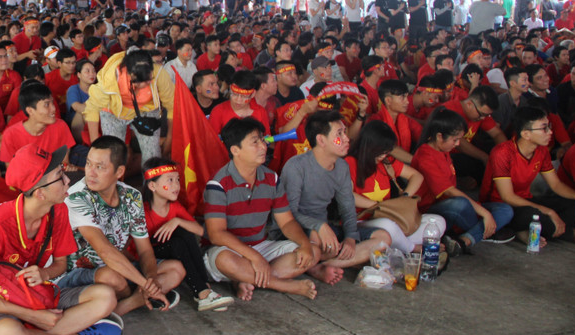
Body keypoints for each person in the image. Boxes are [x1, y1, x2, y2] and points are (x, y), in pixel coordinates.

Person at [0, 144, 123, 335]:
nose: (68, 180)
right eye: (60, 176)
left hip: (37, 295)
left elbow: (61, 264)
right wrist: (33, 316)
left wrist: (44, 273)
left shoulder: (58, 211)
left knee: (106, 297)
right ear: (40, 193)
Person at [57, 136, 185, 315]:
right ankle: (138, 297)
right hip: (81, 273)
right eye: (88, 163)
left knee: (176, 269)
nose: (90, 172)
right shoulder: (76, 197)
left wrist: (151, 279)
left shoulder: (132, 196)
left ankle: (123, 306)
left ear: (119, 171)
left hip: (119, 268)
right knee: (111, 277)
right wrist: (145, 284)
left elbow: (144, 250)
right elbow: (105, 251)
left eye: (100, 167)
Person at [202, 117, 318, 301]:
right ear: (235, 150)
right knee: (224, 259)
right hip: (229, 250)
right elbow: (216, 234)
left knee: (313, 251)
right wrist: (255, 258)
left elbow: (287, 222)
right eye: (255, 142)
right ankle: (282, 284)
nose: (263, 146)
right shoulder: (218, 184)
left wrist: (304, 244)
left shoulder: (272, 178)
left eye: (262, 140)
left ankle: (244, 279)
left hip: (261, 246)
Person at [277, 111, 391, 284]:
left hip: (325, 230)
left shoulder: (342, 166)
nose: (346, 138)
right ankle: (322, 262)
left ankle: (324, 265)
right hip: (297, 231)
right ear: (321, 140)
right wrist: (319, 226)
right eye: (339, 134)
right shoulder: (296, 167)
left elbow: (347, 206)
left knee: (383, 238)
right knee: (317, 239)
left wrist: (351, 238)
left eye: (344, 132)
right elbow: (288, 214)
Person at [411, 108, 515, 252]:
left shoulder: (443, 151)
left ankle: (464, 240)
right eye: (455, 140)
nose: (458, 144)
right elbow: (450, 191)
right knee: (460, 204)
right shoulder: (425, 155)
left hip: (454, 207)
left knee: (505, 210)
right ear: (440, 136)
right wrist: (485, 214)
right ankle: (485, 232)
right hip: (431, 211)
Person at [140, 158, 234, 311]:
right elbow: (137, 250)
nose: (176, 185)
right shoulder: (142, 212)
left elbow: (201, 231)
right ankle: (202, 292)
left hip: (170, 251)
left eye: (177, 180)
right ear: (152, 186)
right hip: (148, 257)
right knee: (178, 242)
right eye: (170, 180)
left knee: (184, 233)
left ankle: (204, 289)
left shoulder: (175, 207)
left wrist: (178, 221)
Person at [481, 106, 575, 245]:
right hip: (501, 206)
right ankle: (572, 234)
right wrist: (549, 211)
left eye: (549, 127)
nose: (550, 132)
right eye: (544, 128)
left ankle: (529, 230)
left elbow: (556, 185)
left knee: (573, 206)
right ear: (526, 134)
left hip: (526, 200)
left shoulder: (542, 151)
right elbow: (507, 197)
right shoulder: (502, 153)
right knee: (532, 214)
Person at [348, 121, 446, 254]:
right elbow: (348, 196)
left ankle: (399, 245)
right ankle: (413, 248)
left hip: (390, 215)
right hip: (363, 219)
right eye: (381, 151)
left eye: (386, 151)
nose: (384, 155)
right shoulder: (350, 162)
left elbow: (417, 176)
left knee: (438, 222)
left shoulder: (386, 163)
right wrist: (378, 206)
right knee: (388, 226)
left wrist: (404, 197)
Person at [84, 50, 174, 164]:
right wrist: (95, 146)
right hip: (113, 112)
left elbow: (172, 106)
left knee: (152, 155)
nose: (142, 87)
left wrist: (170, 138)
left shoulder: (159, 74)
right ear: (129, 74)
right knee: (112, 155)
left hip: (146, 110)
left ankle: (150, 175)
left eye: (147, 81)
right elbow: (93, 109)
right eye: (138, 83)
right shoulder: (111, 76)